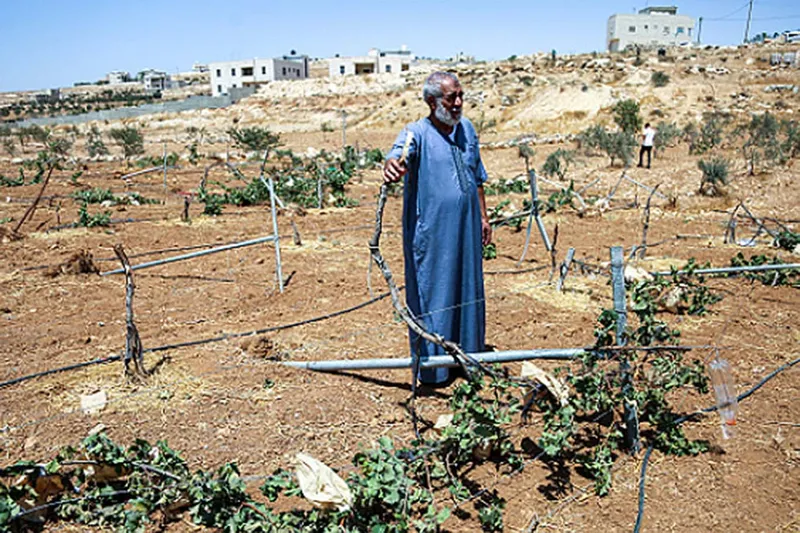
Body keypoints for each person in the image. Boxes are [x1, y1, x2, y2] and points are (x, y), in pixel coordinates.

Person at [383, 71, 491, 385]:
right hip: (433, 233)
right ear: (432, 102)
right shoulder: (416, 133)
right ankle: (435, 369)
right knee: (435, 292)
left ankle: (469, 359)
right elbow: (398, 154)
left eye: (460, 96)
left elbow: (477, 176)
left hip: (468, 228)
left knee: (468, 289)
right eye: (450, 97)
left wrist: (483, 217)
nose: (458, 103)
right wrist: (392, 165)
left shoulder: (467, 129)